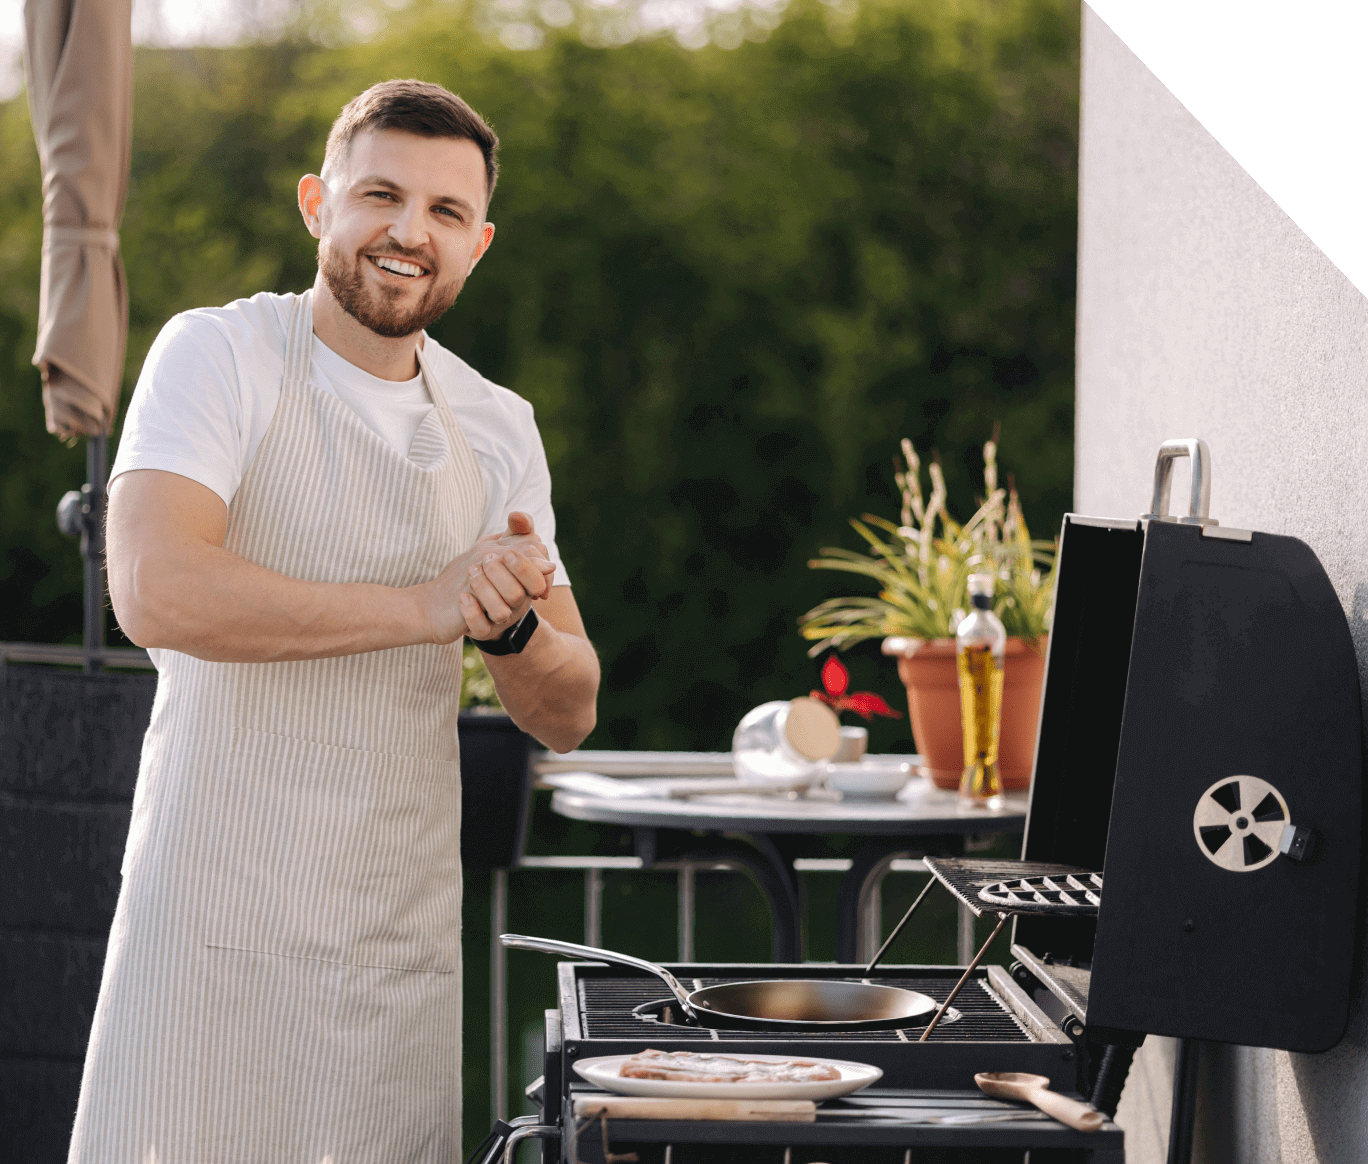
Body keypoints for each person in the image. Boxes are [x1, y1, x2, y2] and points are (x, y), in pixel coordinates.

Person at [67, 79, 600, 1164]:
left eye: (447, 213)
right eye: (381, 195)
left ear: (479, 244)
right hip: (211, 923)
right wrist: (425, 605)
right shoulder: (216, 356)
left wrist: (506, 631)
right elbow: (156, 589)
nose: (410, 233)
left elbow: (569, 707)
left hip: (388, 944)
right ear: (317, 202)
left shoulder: (499, 428)